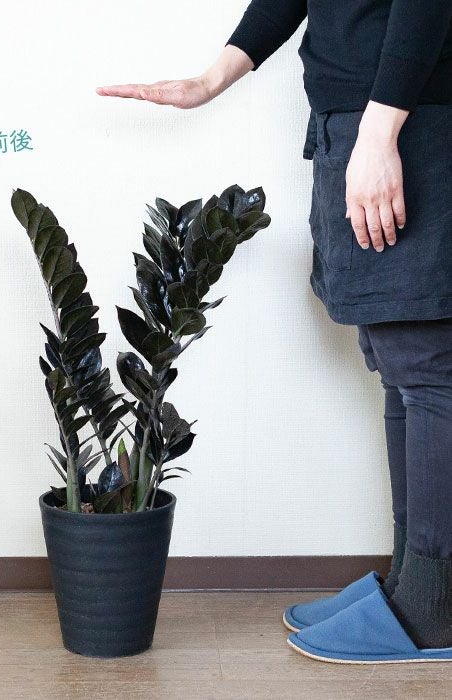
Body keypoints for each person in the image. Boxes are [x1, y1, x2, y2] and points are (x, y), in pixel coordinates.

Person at [97, 0, 452, 664]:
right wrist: (211, 80)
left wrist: (380, 134)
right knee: (396, 356)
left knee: (426, 362)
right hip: (358, 119)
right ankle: (413, 582)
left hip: (405, 119)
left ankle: (434, 611)